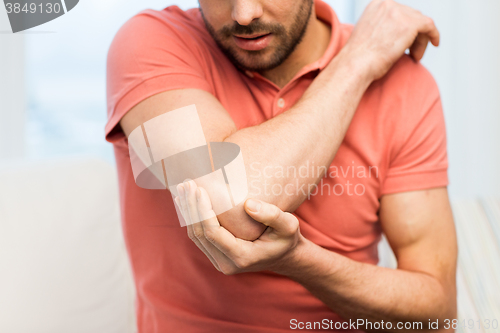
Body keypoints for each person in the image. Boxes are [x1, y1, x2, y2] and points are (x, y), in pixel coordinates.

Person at [106, 0, 458, 331]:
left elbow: (437, 312)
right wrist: (355, 64)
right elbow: (236, 208)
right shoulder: (151, 43)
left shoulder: (402, 81)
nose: (244, 14)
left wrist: (300, 260)